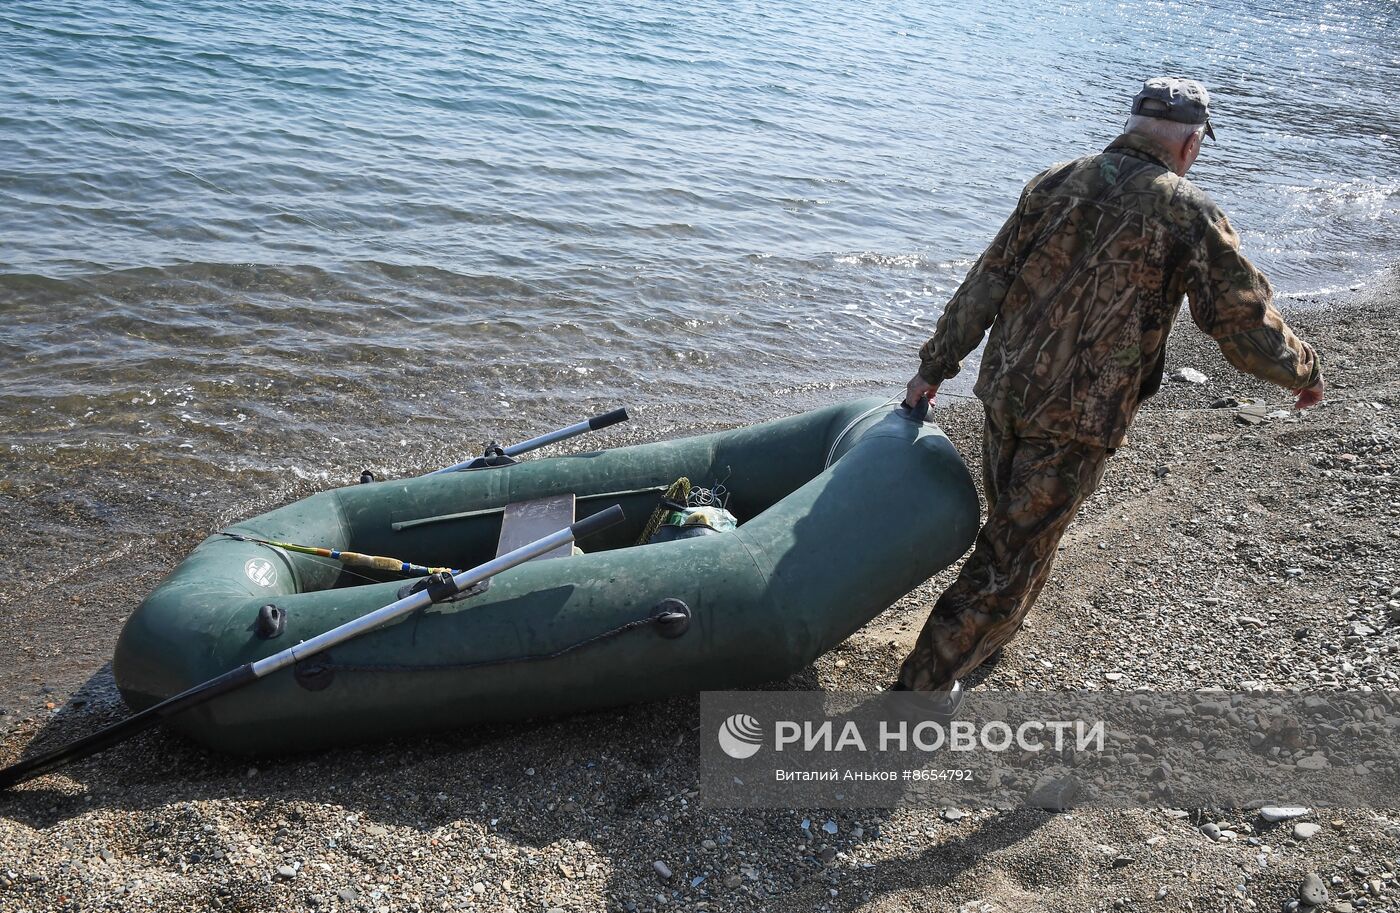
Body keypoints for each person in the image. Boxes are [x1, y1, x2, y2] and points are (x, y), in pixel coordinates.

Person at [895, 77, 1323, 693]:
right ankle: (914, 696)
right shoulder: (1189, 213)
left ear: (1132, 124)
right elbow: (1242, 322)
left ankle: (982, 645)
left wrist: (932, 368)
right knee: (1008, 556)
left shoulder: (1054, 182)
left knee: (1015, 534)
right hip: (1078, 418)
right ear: (1191, 143)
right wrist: (1304, 371)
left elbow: (984, 283)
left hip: (1007, 394)